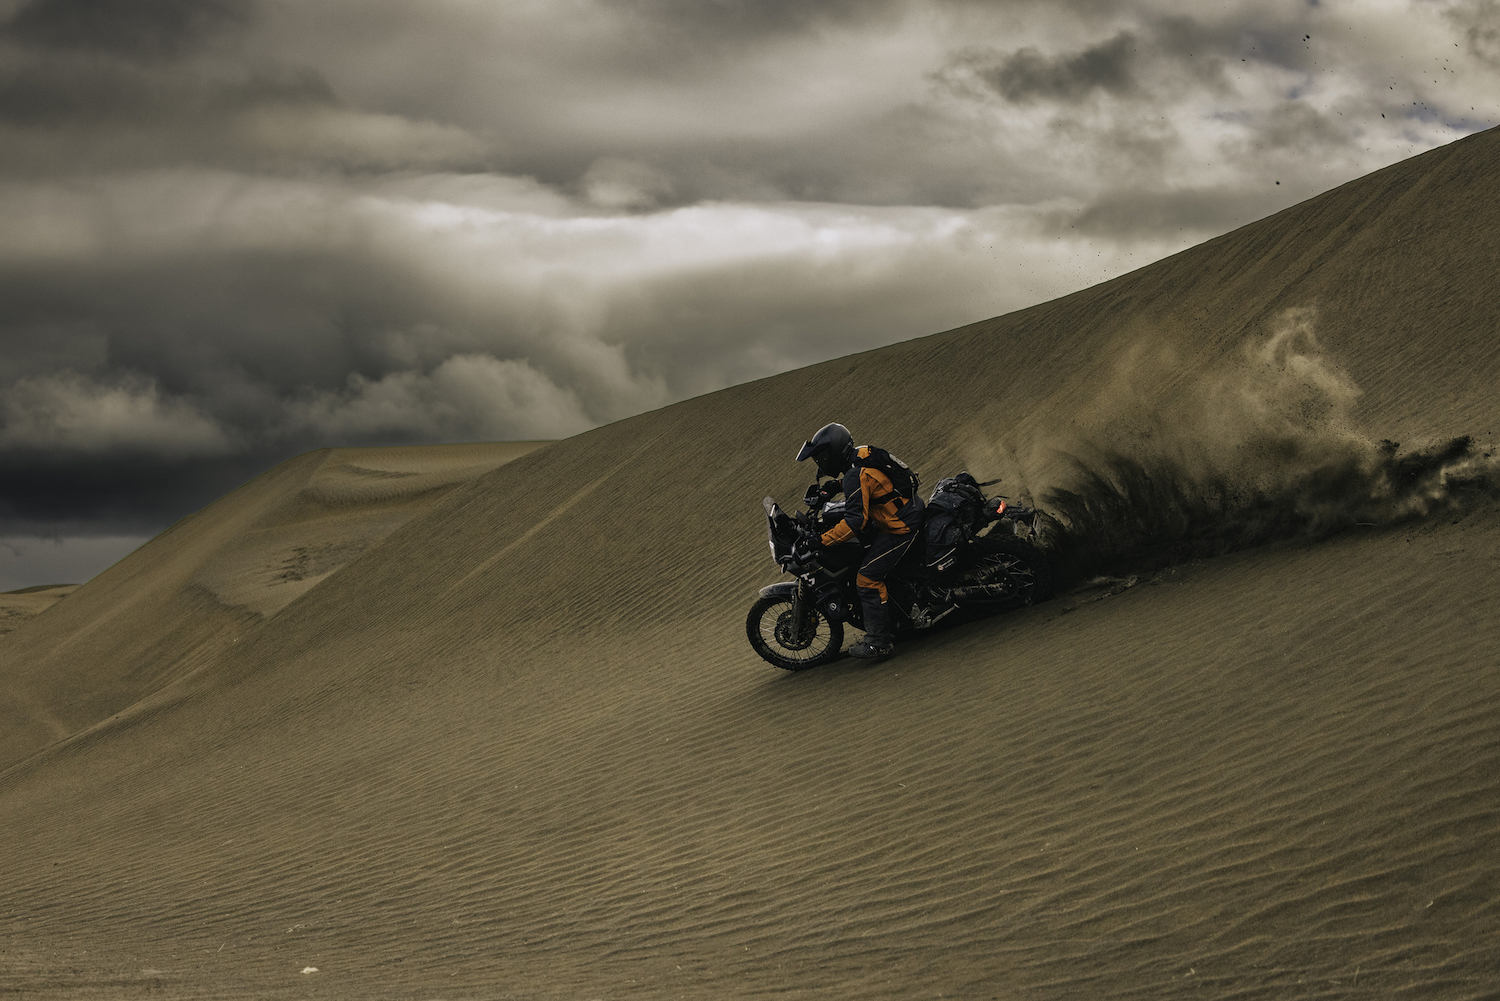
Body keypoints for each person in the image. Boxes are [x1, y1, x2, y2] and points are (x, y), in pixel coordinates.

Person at [795, 422, 925, 660]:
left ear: (835, 453)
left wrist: (821, 540)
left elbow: (856, 523)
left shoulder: (856, 474)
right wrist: (837, 486)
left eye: (823, 457)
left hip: (900, 526)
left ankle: (879, 643)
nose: (821, 463)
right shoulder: (862, 453)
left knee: (866, 579)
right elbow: (873, 478)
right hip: (908, 508)